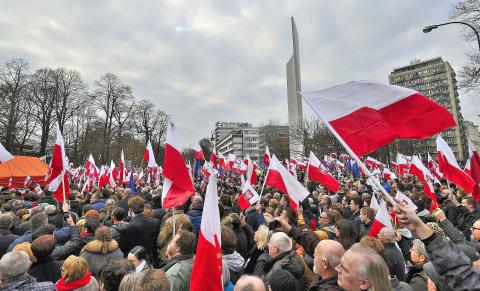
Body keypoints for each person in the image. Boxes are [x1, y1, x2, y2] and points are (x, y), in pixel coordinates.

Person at [122, 196, 160, 265]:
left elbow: (124, 248)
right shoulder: (155, 222)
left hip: (136, 262)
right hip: (152, 259)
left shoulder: (128, 227)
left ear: (130, 209)